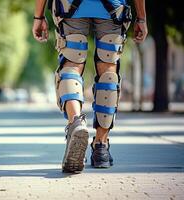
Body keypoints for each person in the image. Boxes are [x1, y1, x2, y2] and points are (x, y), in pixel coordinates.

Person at [32, 0, 147, 173]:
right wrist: (142, 18)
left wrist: (38, 16)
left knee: (71, 64)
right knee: (108, 71)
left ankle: (76, 122)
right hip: (112, 7)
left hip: (70, 5)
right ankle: (101, 146)